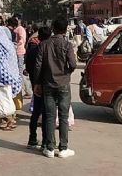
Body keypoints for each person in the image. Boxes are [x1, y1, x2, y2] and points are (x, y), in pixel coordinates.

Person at [34, 17, 77, 158]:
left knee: (50, 117)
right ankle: (63, 148)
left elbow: (38, 66)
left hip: (48, 84)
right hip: (63, 84)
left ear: (53, 28)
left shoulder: (44, 44)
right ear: (65, 30)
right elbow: (73, 64)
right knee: (63, 117)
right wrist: (67, 73)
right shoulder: (67, 45)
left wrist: (37, 83)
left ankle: (50, 148)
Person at [25, 26, 51, 149]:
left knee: (36, 112)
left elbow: (29, 67)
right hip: (47, 85)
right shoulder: (49, 50)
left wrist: (35, 82)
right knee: (46, 113)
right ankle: (46, 141)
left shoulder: (32, 50)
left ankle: (32, 138)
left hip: (36, 84)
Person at [10, 17, 32, 98]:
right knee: (19, 72)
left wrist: (15, 45)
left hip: (19, 52)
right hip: (18, 52)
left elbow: (22, 40)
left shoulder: (20, 29)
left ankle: (27, 91)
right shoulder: (19, 28)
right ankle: (26, 90)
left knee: (20, 73)